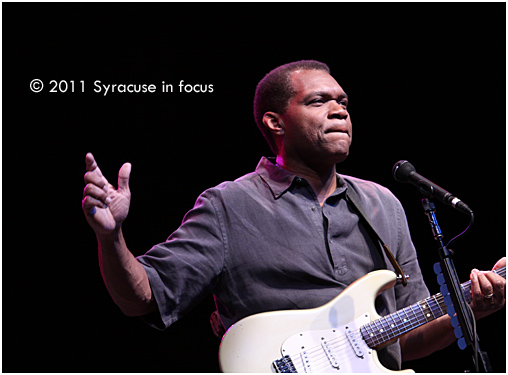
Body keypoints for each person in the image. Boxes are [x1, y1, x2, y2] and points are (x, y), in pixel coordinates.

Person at [82, 60, 505, 371]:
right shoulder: (230, 205)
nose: (339, 110)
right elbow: (143, 298)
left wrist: (474, 307)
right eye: (319, 101)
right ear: (275, 121)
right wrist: (111, 237)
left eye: (343, 102)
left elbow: (408, 338)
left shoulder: (383, 204)